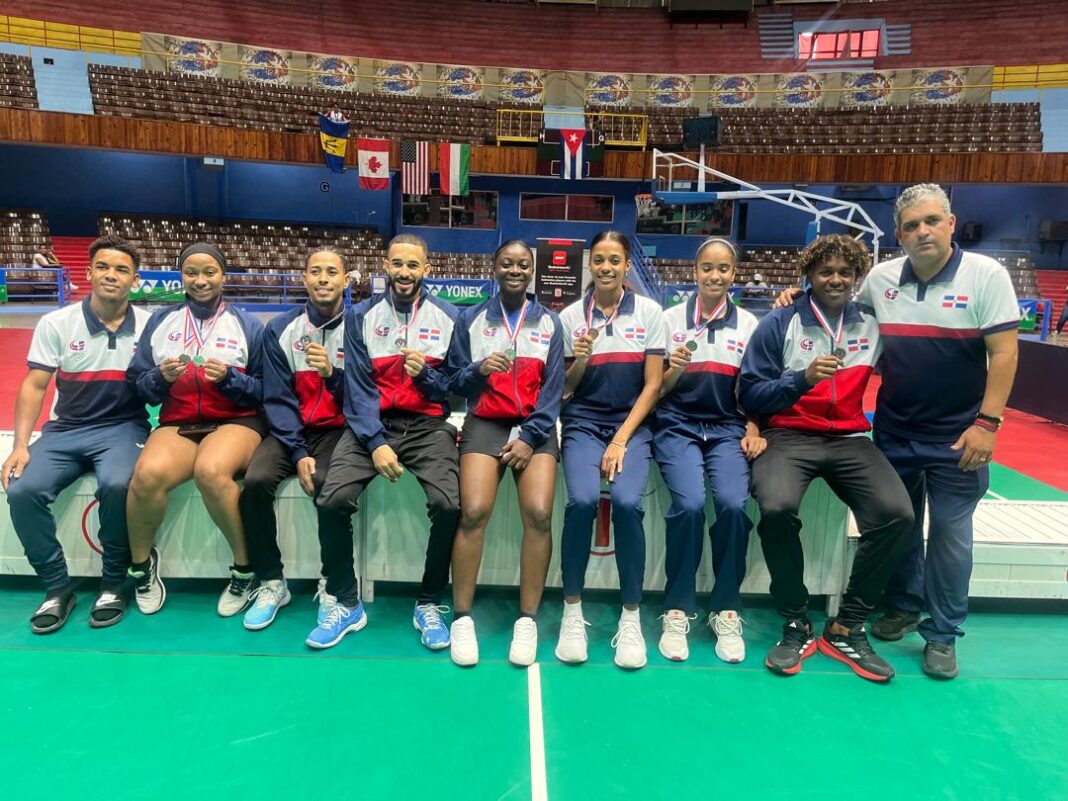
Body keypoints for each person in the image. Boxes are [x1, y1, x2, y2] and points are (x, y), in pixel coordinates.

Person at [855, 184, 1020, 679]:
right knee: (899, 523)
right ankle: (904, 604)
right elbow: (852, 330)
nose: (922, 231)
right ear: (898, 234)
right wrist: (794, 299)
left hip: (959, 437)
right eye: (911, 225)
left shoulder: (986, 275)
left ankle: (943, 633)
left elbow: (1005, 353)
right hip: (895, 431)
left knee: (950, 535)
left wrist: (987, 424)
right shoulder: (880, 279)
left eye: (931, 221)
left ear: (951, 223)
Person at [739, 235, 914, 682]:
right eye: (825, 271)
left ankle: (847, 625)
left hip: (849, 438)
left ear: (856, 278)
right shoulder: (780, 322)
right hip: (788, 434)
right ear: (809, 276)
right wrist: (801, 380)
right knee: (775, 508)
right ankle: (796, 619)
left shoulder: (872, 324)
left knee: (897, 515)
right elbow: (750, 392)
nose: (835, 279)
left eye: (844, 272)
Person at [314, 234, 461, 651]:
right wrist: (376, 441)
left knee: (449, 506)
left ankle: (429, 602)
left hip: (428, 426)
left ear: (426, 270)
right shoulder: (360, 316)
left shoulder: (450, 317)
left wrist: (426, 376)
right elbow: (358, 391)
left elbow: (453, 388)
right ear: (386, 266)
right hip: (371, 426)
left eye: (413, 265)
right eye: (397, 264)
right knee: (331, 500)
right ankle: (346, 602)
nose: (404, 273)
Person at [2, 235, 149, 632]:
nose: (111, 275)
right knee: (22, 489)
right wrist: (20, 445)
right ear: (88, 273)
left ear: (135, 280)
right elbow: (35, 385)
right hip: (66, 429)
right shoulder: (56, 323)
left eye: (121, 269)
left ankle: (114, 583)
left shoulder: (150, 325)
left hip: (123, 427)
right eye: (103, 267)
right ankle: (57, 587)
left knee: (118, 485)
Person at [125, 243, 266, 618]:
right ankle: (141, 567)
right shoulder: (162, 322)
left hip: (236, 420)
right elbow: (138, 385)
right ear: (181, 277)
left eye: (209, 272)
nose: (200, 280)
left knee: (211, 470)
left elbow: (265, 390)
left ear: (223, 276)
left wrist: (231, 380)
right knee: (146, 475)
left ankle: (244, 569)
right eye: (191, 273)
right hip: (179, 421)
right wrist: (160, 377)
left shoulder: (247, 325)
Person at [448, 239, 564, 667]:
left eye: (522, 264)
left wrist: (530, 437)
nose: (515, 270)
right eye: (506, 263)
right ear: (494, 268)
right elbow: (454, 381)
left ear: (531, 271)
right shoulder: (471, 319)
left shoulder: (549, 323)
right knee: (473, 512)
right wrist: (478, 371)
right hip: (486, 423)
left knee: (539, 513)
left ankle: (527, 619)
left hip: (534, 427)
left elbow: (554, 390)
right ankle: (462, 617)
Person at [555, 230, 666, 670]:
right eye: (599, 259)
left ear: (626, 265)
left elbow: (653, 385)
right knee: (582, 501)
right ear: (590, 264)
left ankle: (631, 616)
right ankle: (571, 612)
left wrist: (621, 438)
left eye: (614, 260)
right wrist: (580, 359)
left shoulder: (650, 313)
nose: (606, 267)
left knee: (626, 503)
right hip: (582, 423)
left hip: (631, 427)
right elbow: (565, 389)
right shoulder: (569, 317)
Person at [653, 237, 764, 664]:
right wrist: (674, 370)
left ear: (733, 273)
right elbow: (655, 389)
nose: (714, 276)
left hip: (726, 428)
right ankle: (677, 608)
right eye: (706, 268)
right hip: (676, 425)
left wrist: (753, 425)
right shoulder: (668, 320)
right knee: (690, 505)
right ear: (694, 271)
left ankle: (726, 608)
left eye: (723, 269)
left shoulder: (749, 325)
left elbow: (754, 387)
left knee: (734, 506)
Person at [237, 248, 349, 631]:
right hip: (290, 431)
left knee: (328, 486)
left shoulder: (360, 328)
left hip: (339, 430)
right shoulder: (281, 329)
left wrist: (333, 374)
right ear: (304, 279)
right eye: (315, 271)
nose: (323, 278)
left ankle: (332, 582)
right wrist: (298, 449)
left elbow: (365, 396)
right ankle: (272, 582)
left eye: (331, 271)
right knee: (255, 482)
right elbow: (277, 397)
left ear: (345, 280)